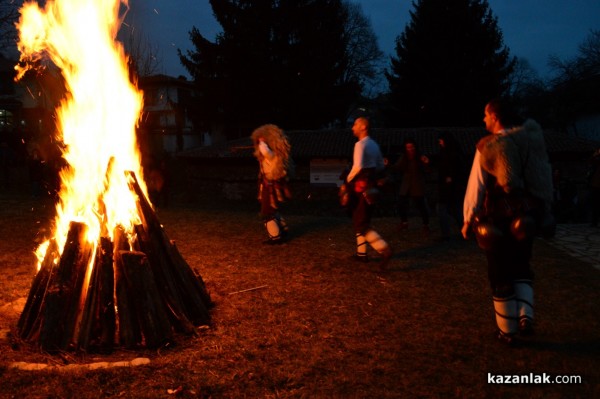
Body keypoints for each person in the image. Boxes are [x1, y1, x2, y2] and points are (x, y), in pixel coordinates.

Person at [461, 98, 554, 346]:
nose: (483, 120)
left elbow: (477, 184)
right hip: (527, 216)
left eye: (485, 115)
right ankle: (526, 316)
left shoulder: (488, 145)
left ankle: (507, 331)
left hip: (499, 217)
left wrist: (468, 217)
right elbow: (541, 176)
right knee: (522, 264)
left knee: (499, 271)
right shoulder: (529, 141)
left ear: (494, 116)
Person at [343, 117, 392, 270]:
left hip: (360, 186)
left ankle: (384, 249)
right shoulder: (374, 145)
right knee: (360, 218)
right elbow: (378, 166)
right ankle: (361, 253)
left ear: (363, 127)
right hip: (371, 187)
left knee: (361, 223)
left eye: (355, 124)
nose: (352, 127)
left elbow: (357, 166)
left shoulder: (360, 145)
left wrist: (347, 181)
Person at [251, 124, 292, 244]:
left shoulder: (270, 153)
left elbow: (265, 151)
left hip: (269, 186)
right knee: (271, 209)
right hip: (270, 184)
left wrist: (261, 141)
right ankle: (282, 229)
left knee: (267, 212)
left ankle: (276, 236)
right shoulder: (275, 153)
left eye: (263, 138)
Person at [392, 138, 430, 233]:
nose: (410, 149)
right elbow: (396, 167)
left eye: (411, 147)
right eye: (408, 147)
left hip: (417, 185)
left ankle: (426, 225)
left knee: (421, 206)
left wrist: (426, 163)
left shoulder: (420, 156)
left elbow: (427, 170)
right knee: (401, 204)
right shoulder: (404, 157)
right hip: (406, 185)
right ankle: (404, 222)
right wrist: (388, 164)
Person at [435, 133, 464, 240]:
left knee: (450, 209)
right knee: (451, 209)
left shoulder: (454, 153)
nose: (440, 142)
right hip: (445, 186)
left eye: (441, 140)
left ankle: (460, 231)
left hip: (451, 187)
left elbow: (458, 168)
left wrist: (451, 176)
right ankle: (460, 231)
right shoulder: (443, 152)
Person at [588, 147, 600, 227]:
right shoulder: (596, 160)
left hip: (596, 184)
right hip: (595, 185)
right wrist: (595, 155)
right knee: (594, 204)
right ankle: (594, 222)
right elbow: (591, 162)